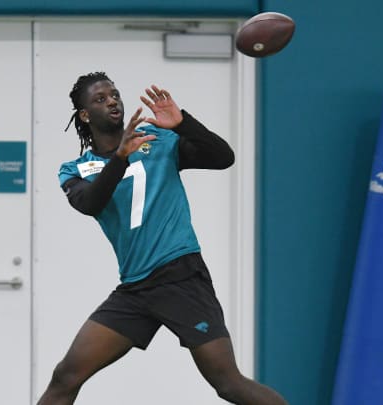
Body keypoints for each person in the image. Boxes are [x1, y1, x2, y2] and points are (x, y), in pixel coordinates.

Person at [37, 72, 287, 405]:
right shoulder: (75, 169)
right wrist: (121, 157)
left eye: (114, 94)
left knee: (227, 384)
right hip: (135, 289)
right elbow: (90, 203)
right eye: (100, 99)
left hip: (180, 276)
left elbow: (223, 157)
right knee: (65, 376)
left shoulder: (157, 139)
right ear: (84, 115)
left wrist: (183, 123)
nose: (112, 100)